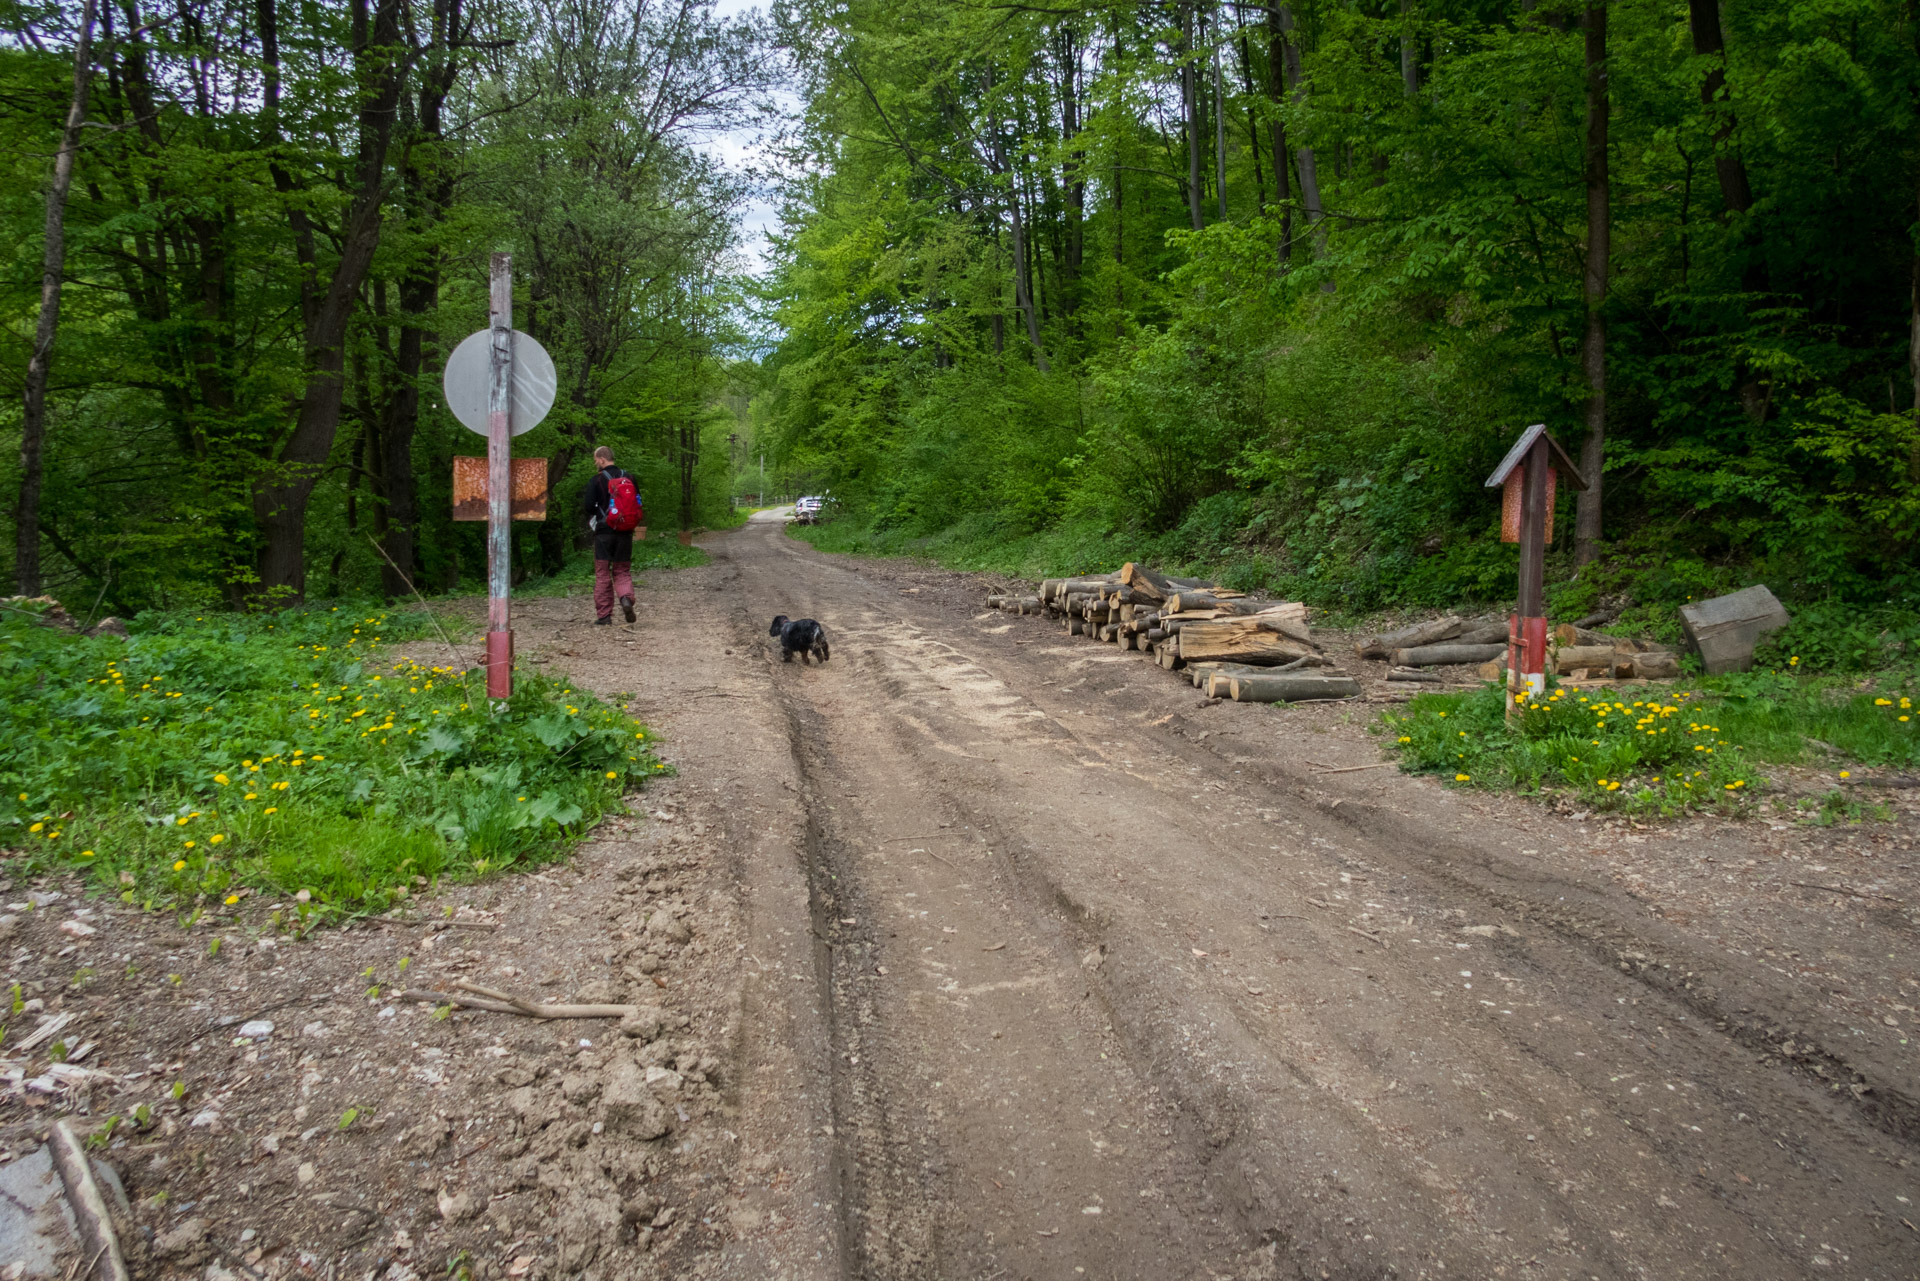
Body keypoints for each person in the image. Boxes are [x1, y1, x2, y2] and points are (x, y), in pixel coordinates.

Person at [583, 446, 637, 625]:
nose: (595, 463)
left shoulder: (596, 480)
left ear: (602, 459)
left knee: (603, 572)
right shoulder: (629, 477)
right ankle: (626, 599)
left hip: (604, 533)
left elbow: (589, 506)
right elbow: (637, 503)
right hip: (625, 532)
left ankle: (604, 616)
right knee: (622, 570)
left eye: (595, 460)